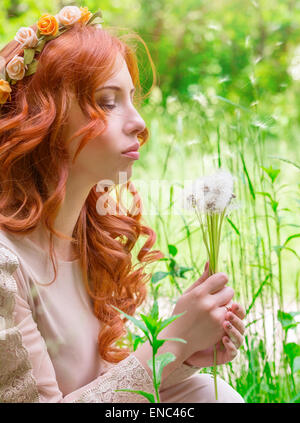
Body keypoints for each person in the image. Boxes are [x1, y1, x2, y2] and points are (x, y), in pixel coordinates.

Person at [0, 6, 245, 403]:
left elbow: (100, 386)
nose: (139, 124)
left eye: (131, 98)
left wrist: (185, 352)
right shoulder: (5, 267)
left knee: (208, 393)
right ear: (43, 119)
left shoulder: (90, 240)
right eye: (109, 102)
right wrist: (168, 343)